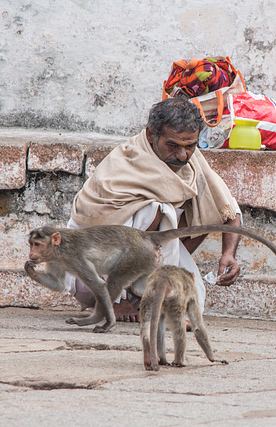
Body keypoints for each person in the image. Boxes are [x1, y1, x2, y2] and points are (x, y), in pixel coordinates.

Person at [65, 97, 242, 321]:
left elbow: (228, 209)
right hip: (89, 275)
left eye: (190, 146)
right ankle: (113, 301)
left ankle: (153, 296)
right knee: (155, 209)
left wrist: (228, 255)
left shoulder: (191, 162)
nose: (182, 155)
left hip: (140, 270)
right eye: (173, 145)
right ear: (151, 135)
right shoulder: (125, 162)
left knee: (203, 208)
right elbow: (96, 230)